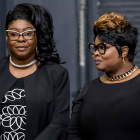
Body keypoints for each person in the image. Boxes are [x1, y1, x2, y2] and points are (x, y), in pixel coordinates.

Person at [0, 3, 70, 140]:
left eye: (28, 33)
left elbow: (59, 124)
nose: (20, 39)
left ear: (38, 37)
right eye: (14, 34)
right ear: (6, 38)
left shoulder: (56, 74)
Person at [67, 12, 140, 140]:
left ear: (124, 51)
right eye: (94, 48)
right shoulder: (88, 88)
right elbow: (73, 133)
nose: (95, 53)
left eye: (102, 48)